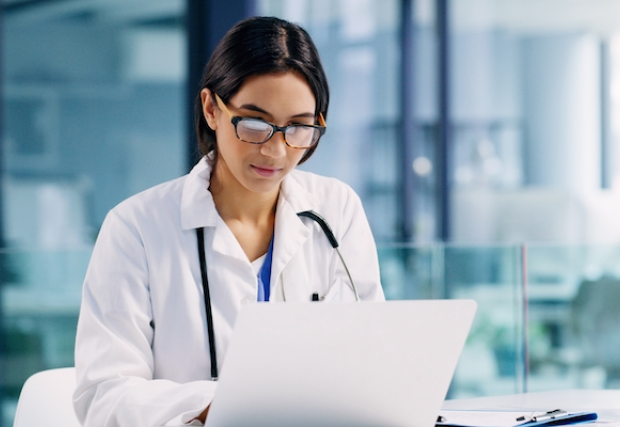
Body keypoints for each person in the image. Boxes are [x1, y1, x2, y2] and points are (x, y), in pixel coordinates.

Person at [73, 16, 384, 427]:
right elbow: (103, 396)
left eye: (299, 128)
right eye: (255, 124)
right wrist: (223, 403)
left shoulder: (336, 209)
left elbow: (371, 359)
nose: (276, 151)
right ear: (211, 109)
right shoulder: (136, 229)